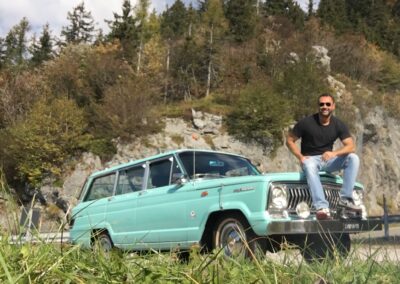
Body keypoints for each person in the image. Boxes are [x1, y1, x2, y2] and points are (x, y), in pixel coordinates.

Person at [286, 93, 361, 220]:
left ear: (333, 106)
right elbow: (289, 140)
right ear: (318, 106)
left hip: (328, 160)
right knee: (309, 166)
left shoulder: (338, 124)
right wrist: (300, 157)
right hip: (310, 159)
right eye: (322, 104)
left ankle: (345, 200)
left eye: (328, 104)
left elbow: (351, 146)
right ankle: (321, 207)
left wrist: (334, 153)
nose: (324, 107)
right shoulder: (306, 123)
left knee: (353, 158)